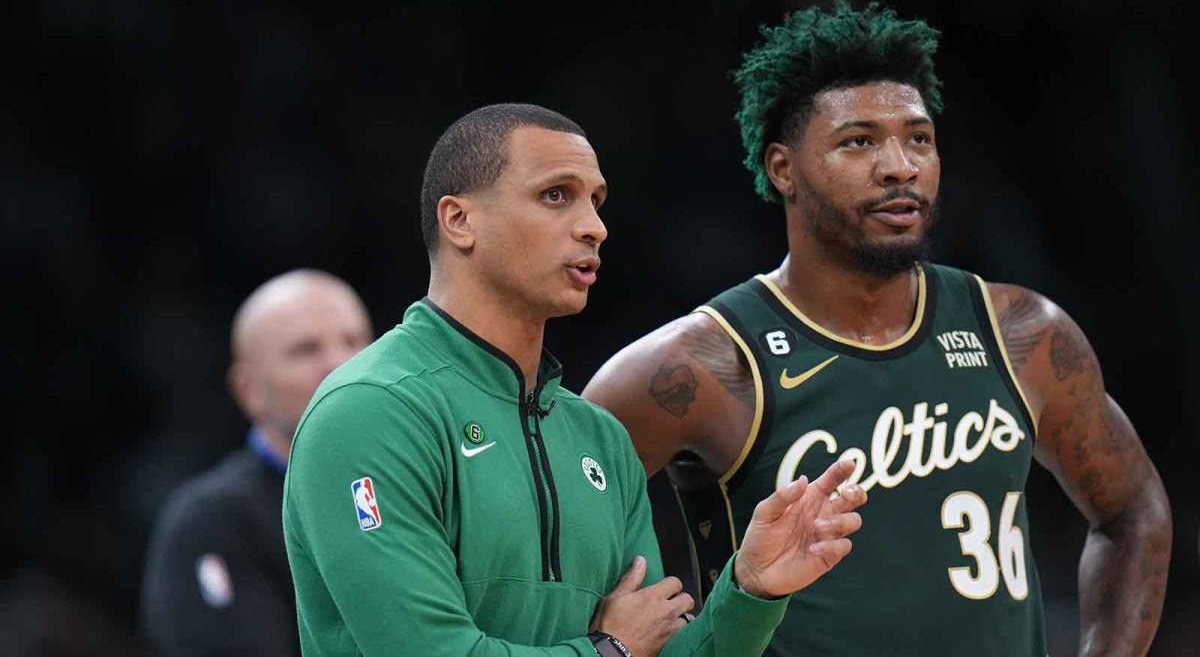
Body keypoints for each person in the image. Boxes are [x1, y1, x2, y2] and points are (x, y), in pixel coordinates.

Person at [583, 0, 1172, 657]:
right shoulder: (700, 365)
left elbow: (1134, 512)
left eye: (919, 138)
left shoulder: (1021, 332)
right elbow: (536, 540)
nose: (900, 165)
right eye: (858, 141)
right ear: (784, 169)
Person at [282, 103, 868, 657]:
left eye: (596, 201)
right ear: (459, 220)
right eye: (556, 196)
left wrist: (749, 590)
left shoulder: (601, 439)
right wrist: (606, 649)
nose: (594, 227)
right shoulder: (370, 411)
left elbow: (653, 645)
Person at [142, 269, 373, 656]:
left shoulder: (431, 486)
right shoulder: (212, 522)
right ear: (249, 391)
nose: (339, 364)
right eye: (305, 350)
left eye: (353, 342)